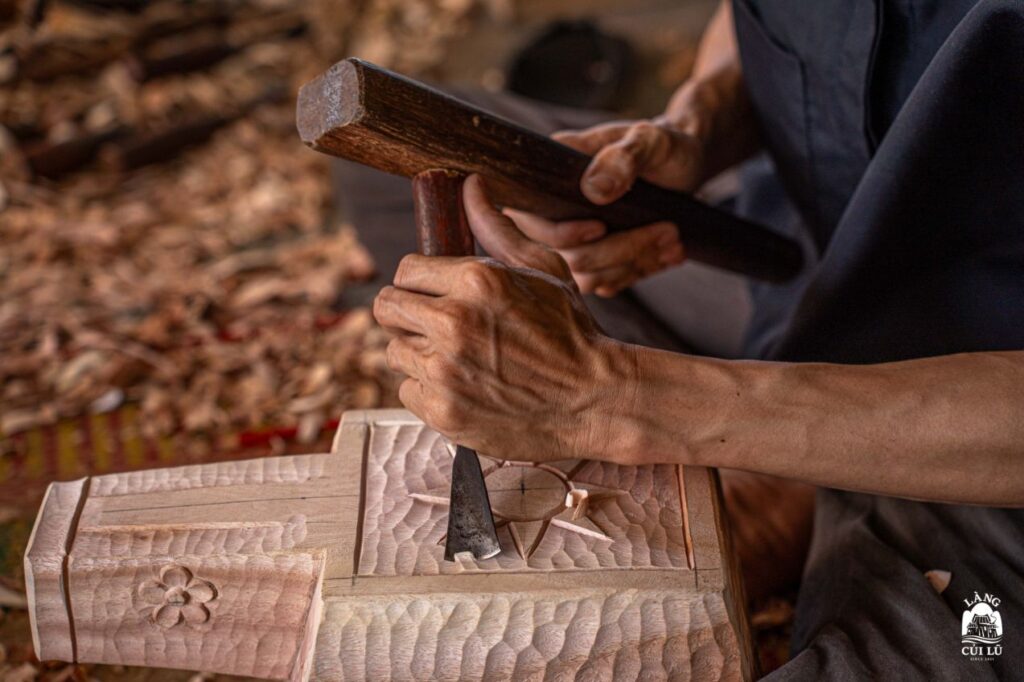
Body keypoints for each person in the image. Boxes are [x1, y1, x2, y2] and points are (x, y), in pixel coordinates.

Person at [363, 0, 1024, 676]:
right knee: (376, 177)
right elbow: (768, 23)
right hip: (804, 265)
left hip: (981, 435)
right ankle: (785, 469)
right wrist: (697, 127)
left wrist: (616, 396)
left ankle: (802, 475)